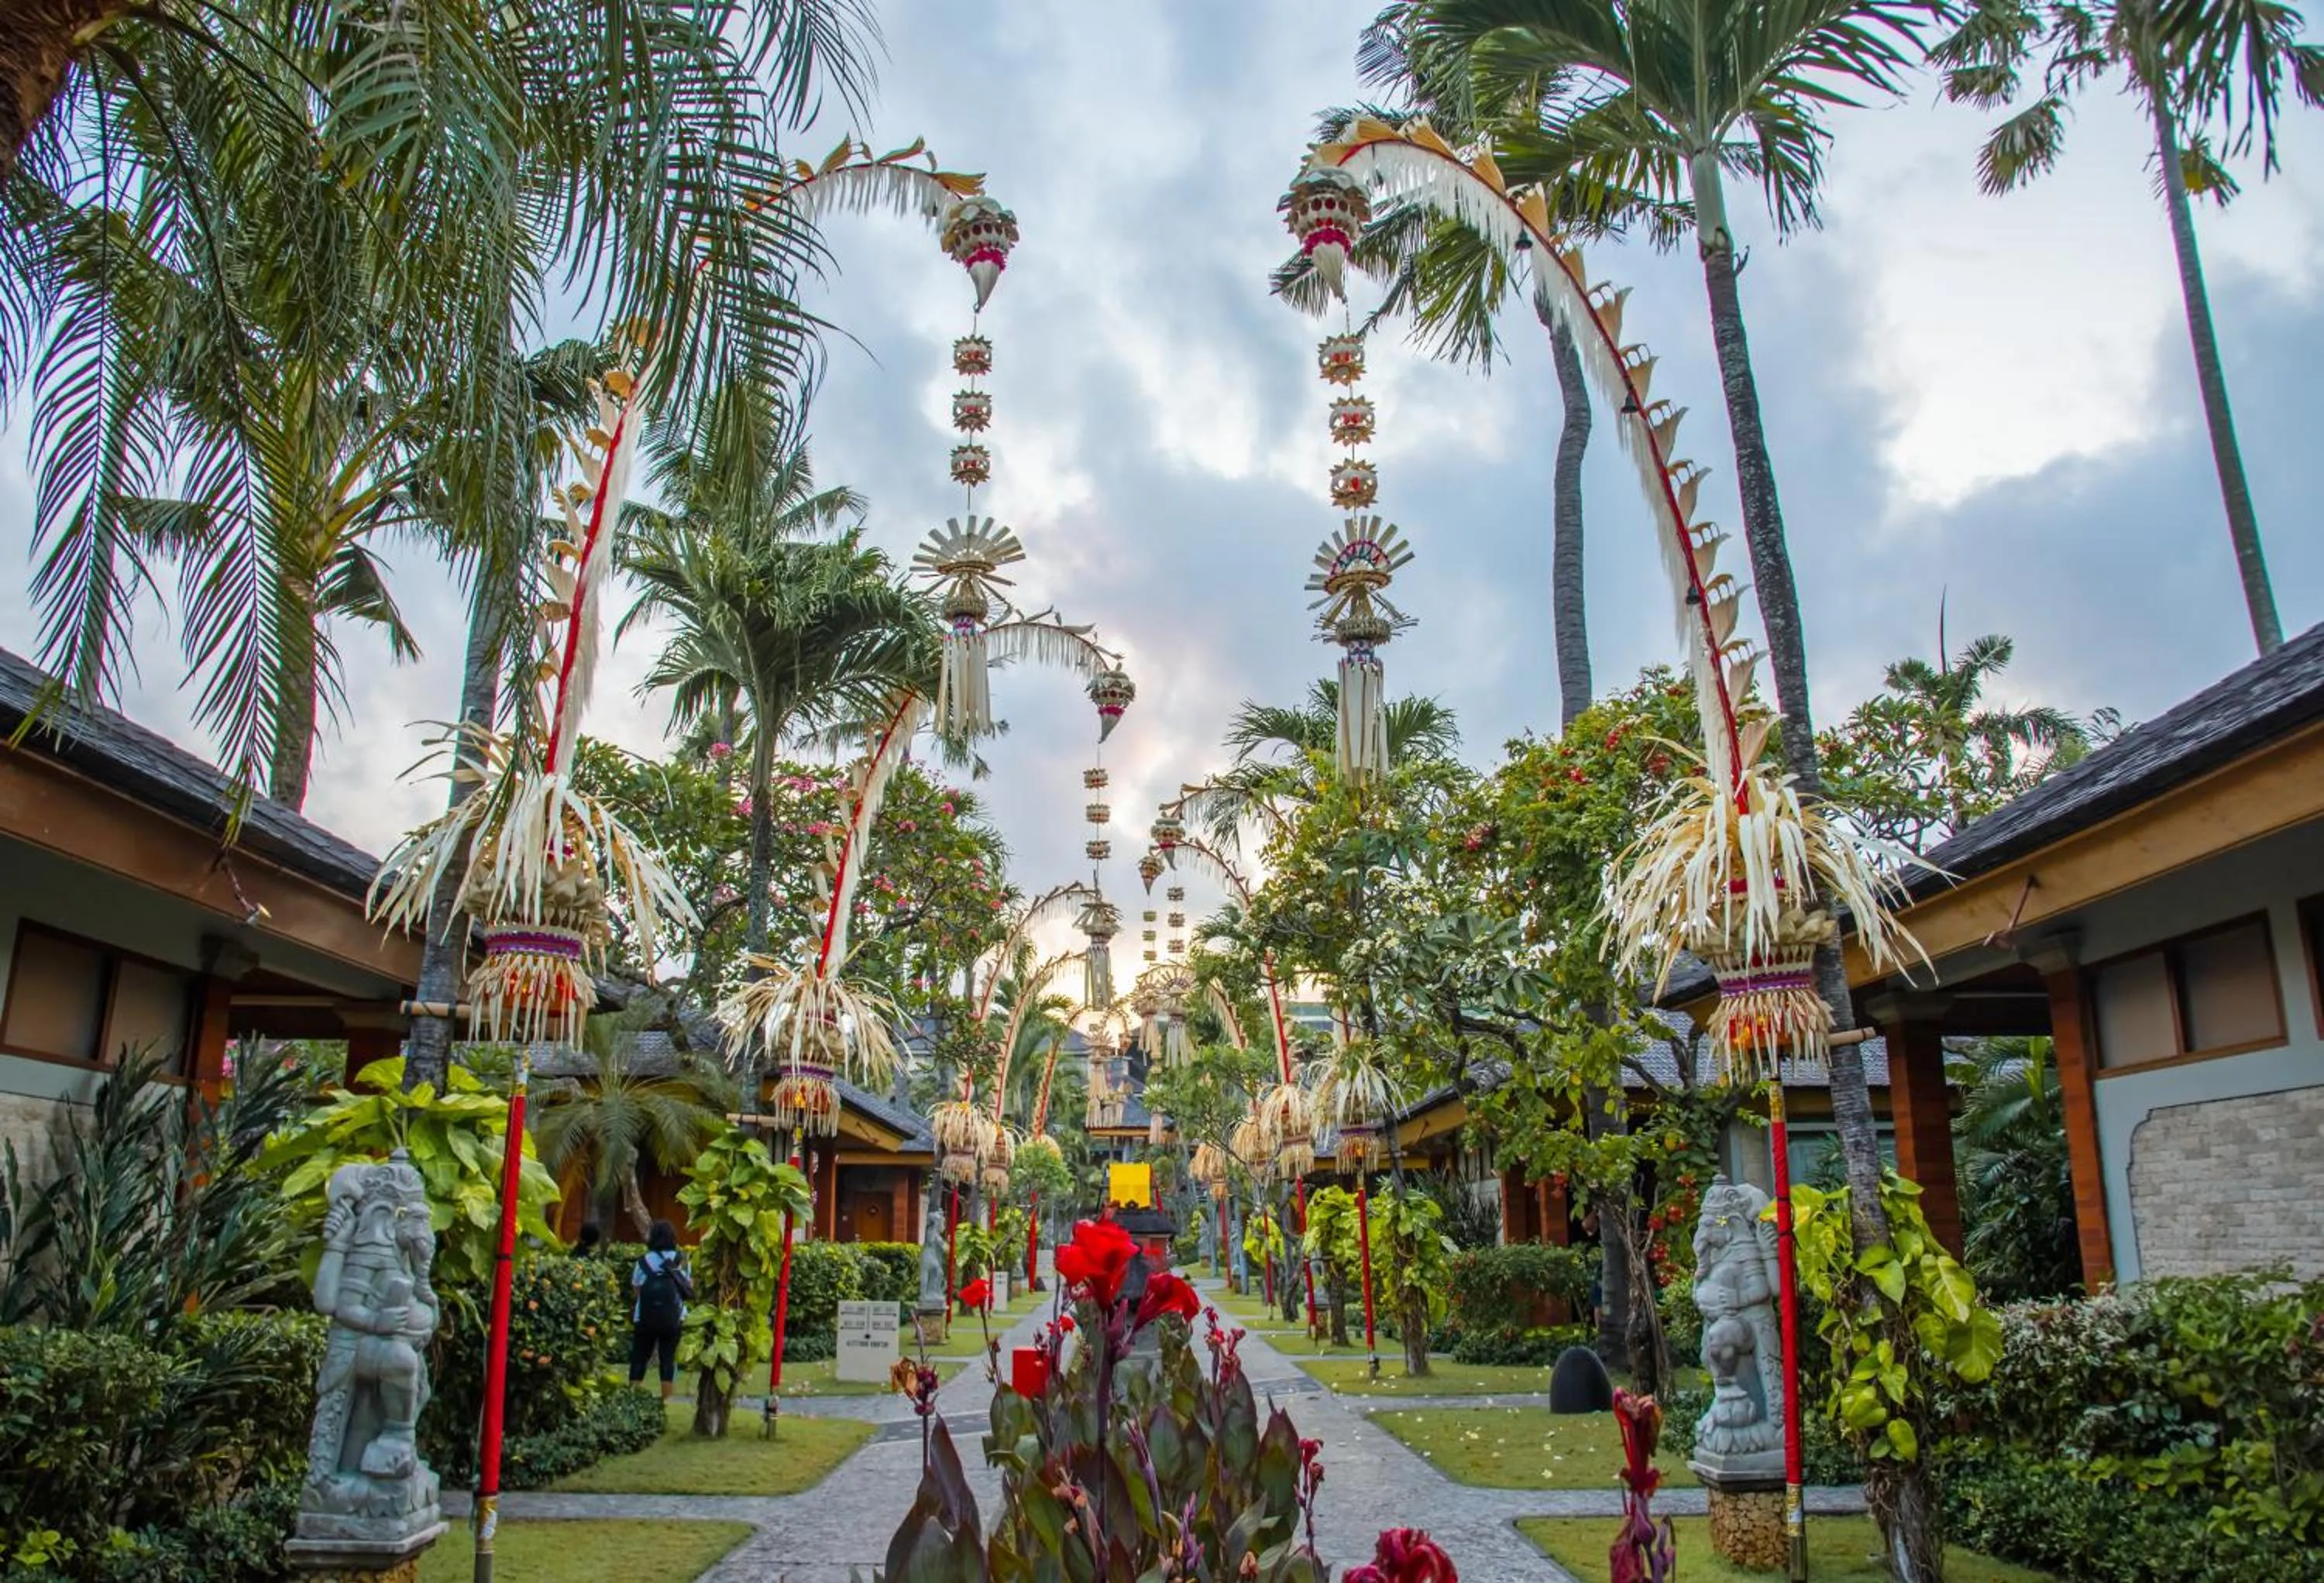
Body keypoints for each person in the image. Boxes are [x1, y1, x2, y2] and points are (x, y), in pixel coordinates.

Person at [629, 1220, 693, 1399]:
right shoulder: (682, 1260)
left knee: (640, 1357)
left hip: (644, 1317)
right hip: (674, 1318)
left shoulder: (643, 1262)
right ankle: (667, 1400)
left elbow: (636, 1290)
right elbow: (688, 1287)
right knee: (668, 1358)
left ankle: (632, 1397)